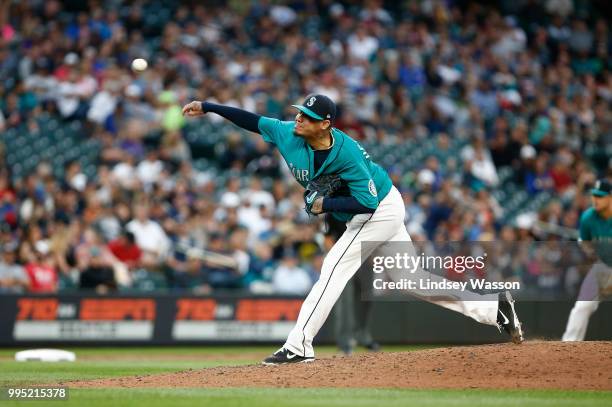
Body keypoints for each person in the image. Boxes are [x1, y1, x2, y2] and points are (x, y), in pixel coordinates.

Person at [182, 94, 524, 365]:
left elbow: (368, 204)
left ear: (326, 125)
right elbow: (252, 121)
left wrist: (324, 205)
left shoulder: (346, 154)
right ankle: (494, 308)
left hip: (380, 208)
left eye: (308, 117)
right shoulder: (289, 133)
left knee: (333, 268)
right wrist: (209, 107)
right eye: (300, 113)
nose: (299, 118)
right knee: (410, 280)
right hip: (373, 208)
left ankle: (298, 345)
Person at [562, 179, 612, 341]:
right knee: (582, 306)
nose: (595, 199)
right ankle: (567, 348)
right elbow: (584, 243)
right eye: (594, 195)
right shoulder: (588, 217)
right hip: (602, 267)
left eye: (600, 196)